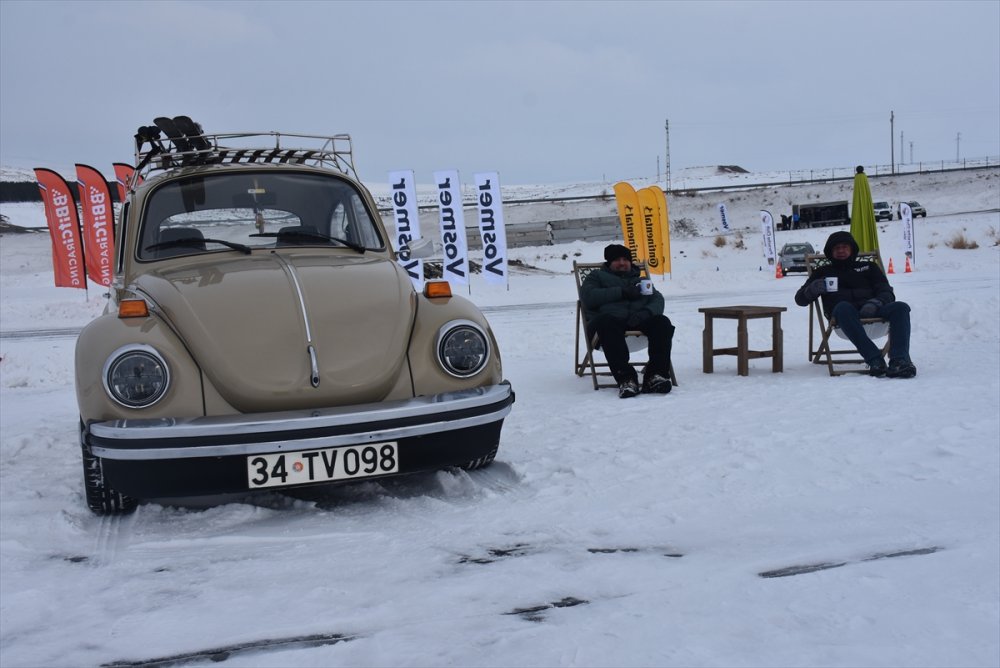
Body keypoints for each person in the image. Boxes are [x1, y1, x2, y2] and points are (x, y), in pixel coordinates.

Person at [795, 230, 917, 378]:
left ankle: (900, 361)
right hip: (844, 320)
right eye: (836, 248)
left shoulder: (869, 267)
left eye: (845, 247)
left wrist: (876, 302)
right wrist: (811, 289)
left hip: (875, 313)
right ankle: (874, 359)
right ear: (830, 251)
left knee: (901, 307)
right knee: (843, 307)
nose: (841, 251)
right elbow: (800, 300)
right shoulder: (822, 272)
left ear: (852, 249)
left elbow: (887, 292)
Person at [581, 243, 675, 398]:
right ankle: (626, 379)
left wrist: (646, 313)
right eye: (617, 260)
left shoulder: (641, 280)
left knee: (662, 322)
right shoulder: (596, 277)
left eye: (625, 259)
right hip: (607, 327)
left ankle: (655, 376)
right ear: (609, 263)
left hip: (637, 321)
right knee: (606, 322)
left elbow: (657, 299)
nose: (622, 263)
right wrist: (622, 292)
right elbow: (589, 297)